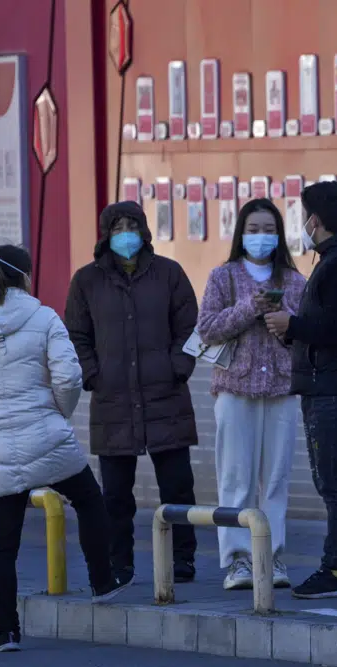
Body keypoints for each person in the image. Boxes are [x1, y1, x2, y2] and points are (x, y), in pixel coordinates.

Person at [0, 246, 130, 652]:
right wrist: (59, 415)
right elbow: (69, 378)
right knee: (89, 500)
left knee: (2, 545)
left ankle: (7, 634)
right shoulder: (44, 316)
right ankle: (102, 582)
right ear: (24, 277)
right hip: (48, 436)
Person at [65, 201, 199, 585]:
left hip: (166, 397)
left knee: (177, 487)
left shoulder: (169, 274)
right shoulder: (86, 281)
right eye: (117, 226)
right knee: (116, 495)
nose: (126, 232)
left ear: (144, 230)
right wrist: (93, 374)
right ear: (106, 234)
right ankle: (119, 562)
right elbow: (76, 334)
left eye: (133, 224)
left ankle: (183, 558)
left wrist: (178, 368)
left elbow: (191, 326)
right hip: (113, 400)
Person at [261, 182, 337, 599]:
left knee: (332, 481)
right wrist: (292, 332)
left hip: (333, 388)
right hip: (323, 383)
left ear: (315, 221)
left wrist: (294, 326)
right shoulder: (334, 259)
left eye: (303, 215)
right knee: (335, 479)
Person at [197, 198, 307, 591]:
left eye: (268, 229)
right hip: (234, 388)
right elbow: (207, 328)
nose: (261, 237)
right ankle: (238, 561)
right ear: (241, 233)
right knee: (235, 478)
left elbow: (305, 334)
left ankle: (272, 556)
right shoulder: (223, 276)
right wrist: (248, 308)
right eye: (254, 229)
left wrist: (287, 325)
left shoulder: (294, 281)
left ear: (280, 234)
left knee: (275, 479)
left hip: (281, 388)